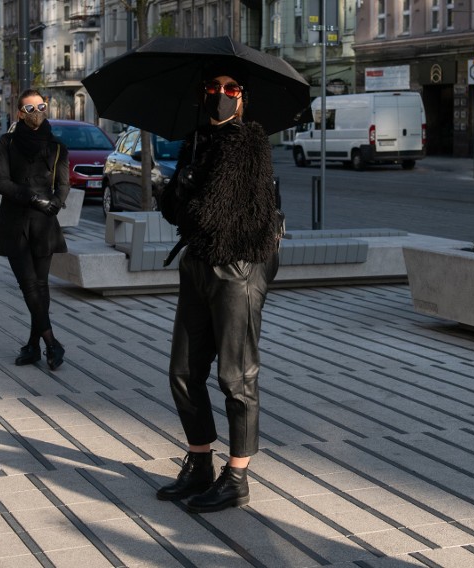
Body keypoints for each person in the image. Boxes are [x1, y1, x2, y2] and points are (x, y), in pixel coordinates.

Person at [156, 66, 280, 514]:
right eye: (213, 87)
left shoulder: (250, 143)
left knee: (236, 376)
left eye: (231, 89)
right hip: (199, 266)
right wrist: (181, 189)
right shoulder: (195, 142)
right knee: (184, 372)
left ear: (242, 97)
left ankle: (237, 476)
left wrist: (184, 192)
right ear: (201, 93)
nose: (222, 95)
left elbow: (211, 215)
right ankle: (200, 461)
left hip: (238, 267)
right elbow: (173, 210)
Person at [0, 89, 69, 370]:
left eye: (40, 106)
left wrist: (57, 203)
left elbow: (63, 183)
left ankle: (34, 346)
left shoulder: (57, 146)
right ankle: (52, 343)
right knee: (28, 285)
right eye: (29, 108)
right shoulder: (7, 142)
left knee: (41, 285)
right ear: (19, 113)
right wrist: (33, 197)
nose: (36, 112)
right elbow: (0, 181)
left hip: (44, 223)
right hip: (15, 221)